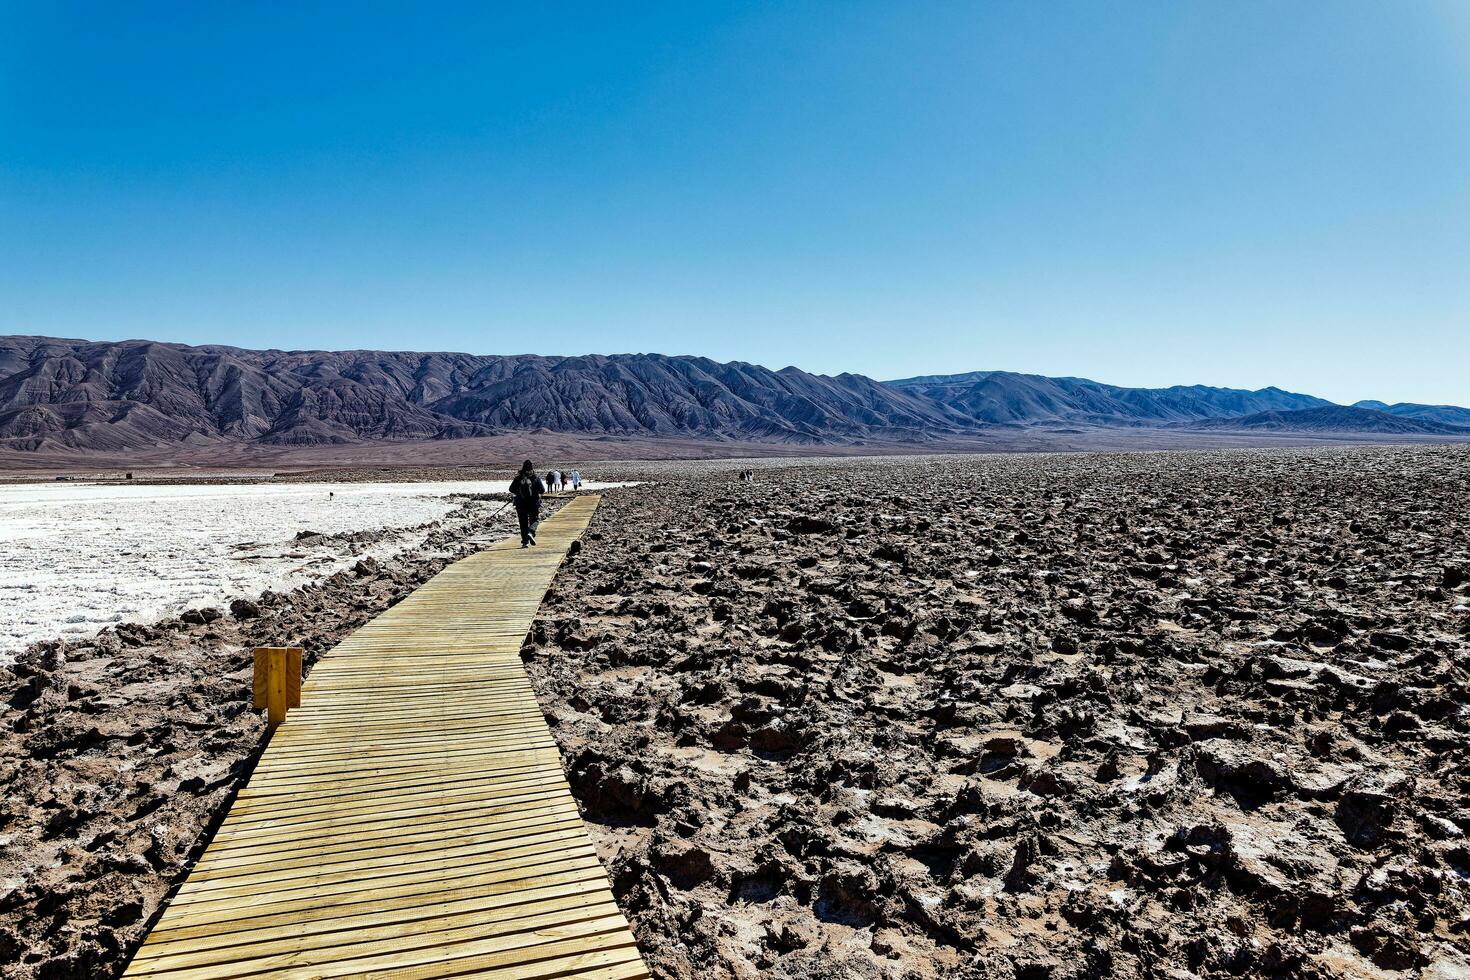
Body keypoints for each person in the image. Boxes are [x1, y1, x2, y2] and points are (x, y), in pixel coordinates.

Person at [510, 461, 546, 547]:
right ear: (532, 468)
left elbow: (511, 489)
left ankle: (525, 542)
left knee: (523, 523)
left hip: (520, 504)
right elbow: (542, 490)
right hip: (533, 504)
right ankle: (531, 532)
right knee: (534, 520)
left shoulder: (518, 478)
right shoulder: (535, 477)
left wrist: (519, 492)